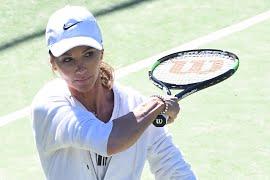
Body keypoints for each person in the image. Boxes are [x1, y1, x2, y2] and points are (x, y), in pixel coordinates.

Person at [31, 5, 196, 180]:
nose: (80, 68)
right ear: (53, 63)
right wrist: (158, 103)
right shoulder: (49, 106)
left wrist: (153, 108)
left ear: (101, 53)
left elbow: (172, 167)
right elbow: (110, 140)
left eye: (88, 54)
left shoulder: (134, 103)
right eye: (68, 59)